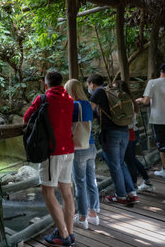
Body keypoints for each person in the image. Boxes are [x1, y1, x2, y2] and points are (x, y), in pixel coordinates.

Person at [23, 71, 75, 246]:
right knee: (67, 193)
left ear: (46, 85)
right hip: (69, 149)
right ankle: (70, 232)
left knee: (48, 192)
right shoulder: (70, 99)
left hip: (53, 152)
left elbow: (26, 118)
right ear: (62, 83)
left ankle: (63, 235)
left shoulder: (43, 98)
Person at [87, 74, 138, 205]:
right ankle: (132, 193)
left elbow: (89, 110)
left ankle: (120, 195)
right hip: (124, 130)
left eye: (88, 85)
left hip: (111, 133)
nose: (89, 88)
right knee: (121, 163)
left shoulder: (99, 91)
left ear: (92, 83)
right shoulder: (112, 90)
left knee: (115, 165)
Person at [136, 63, 165, 179]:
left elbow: (146, 102)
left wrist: (140, 100)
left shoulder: (152, 83)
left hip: (158, 119)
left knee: (162, 146)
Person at [64, 79, 100, 230]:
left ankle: (82, 217)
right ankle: (94, 214)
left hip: (78, 149)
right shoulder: (87, 104)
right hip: (91, 146)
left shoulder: (73, 106)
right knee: (91, 181)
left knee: (80, 184)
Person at [114, 80, 154, 192]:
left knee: (129, 160)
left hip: (129, 131)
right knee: (131, 159)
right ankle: (146, 180)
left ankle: (133, 185)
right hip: (133, 131)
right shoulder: (131, 100)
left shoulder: (124, 102)